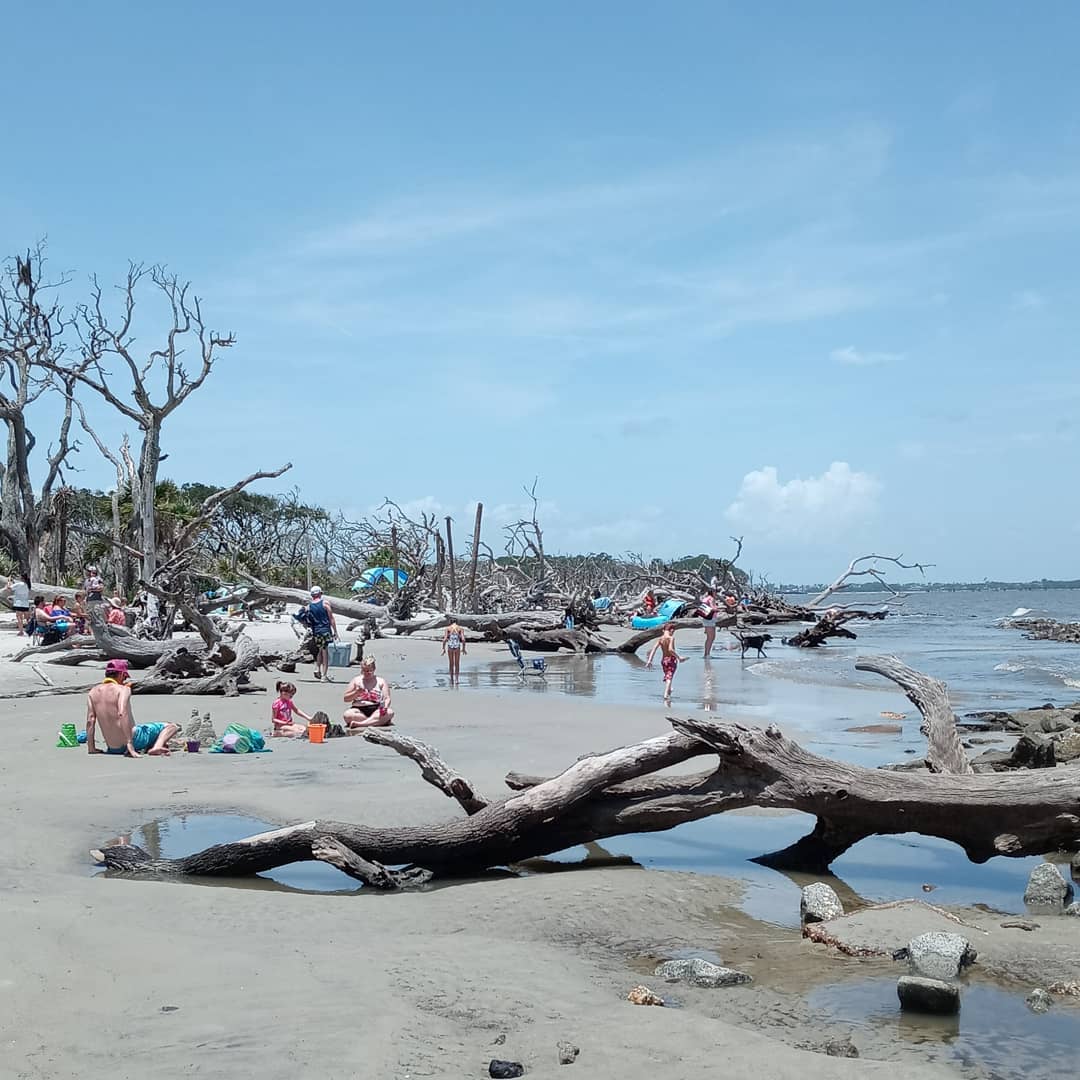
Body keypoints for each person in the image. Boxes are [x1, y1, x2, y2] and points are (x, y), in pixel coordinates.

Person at [86, 659, 178, 757]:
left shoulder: (92, 692)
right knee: (171, 726)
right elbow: (122, 713)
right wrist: (129, 744)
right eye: (125, 677)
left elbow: (90, 720)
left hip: (113, 748)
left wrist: (91, 747)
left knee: (145, 730)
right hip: (134, 740)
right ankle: (157, 747)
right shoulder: (123, 689)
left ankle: (151, 745)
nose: (124, 680)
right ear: (122, 674)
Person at [342, 657, 394, 728]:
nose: (366, 673)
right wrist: (356, 692)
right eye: (364, 671)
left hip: (376, 709)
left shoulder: (381, 681)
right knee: (347, 715)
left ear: (374, 669)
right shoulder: (356, 680)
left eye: (369, 671)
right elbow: (346, 698)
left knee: (390, 712)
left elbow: (387, 698)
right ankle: (377, 721)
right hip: (359, 709)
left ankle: (361, 724)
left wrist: (385, 707)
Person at [645, 623, 688, 703]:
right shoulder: (671, 638)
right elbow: (670, 650)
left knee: (668, 676)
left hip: (664, 661)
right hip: (671, 660)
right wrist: (679, 657)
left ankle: (669, 690)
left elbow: (653, 649)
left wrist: (649, 661)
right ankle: (665, 694)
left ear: (663, 630)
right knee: (669, 678)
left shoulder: (660, 639)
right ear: (672, 630)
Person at [305, 586, 338, 681]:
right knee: (325, 652)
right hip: (325, 630)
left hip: (316, 631)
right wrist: (335, 631)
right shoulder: (325, 603)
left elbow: (307, 619)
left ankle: (317, 669)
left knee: (319, 650)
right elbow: (331, 618)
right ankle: (324, 675)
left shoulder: (309, 606)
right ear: (320, 593)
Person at [442, 621, 465, 685]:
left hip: (450, 646)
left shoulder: (448, 628)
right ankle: (456, 680)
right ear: (457, 622)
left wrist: (443, 648)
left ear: (450, 622)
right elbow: (463, 639)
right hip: (457, 646)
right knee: (457, 663)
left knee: (451, 663)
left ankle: (452, 679)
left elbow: (445, 639)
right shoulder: (460, 628)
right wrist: (464, 648)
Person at [698, 589, 720, 658]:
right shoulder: (711, 599)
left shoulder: (706, 598)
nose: (716, 593)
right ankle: (707, 654)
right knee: (711, 637)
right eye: (715, 592)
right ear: (712, 592)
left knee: (710, 637)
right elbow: (712, 608)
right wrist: (718, 609)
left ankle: (707, 654)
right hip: (710, 619)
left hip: (707, 618)